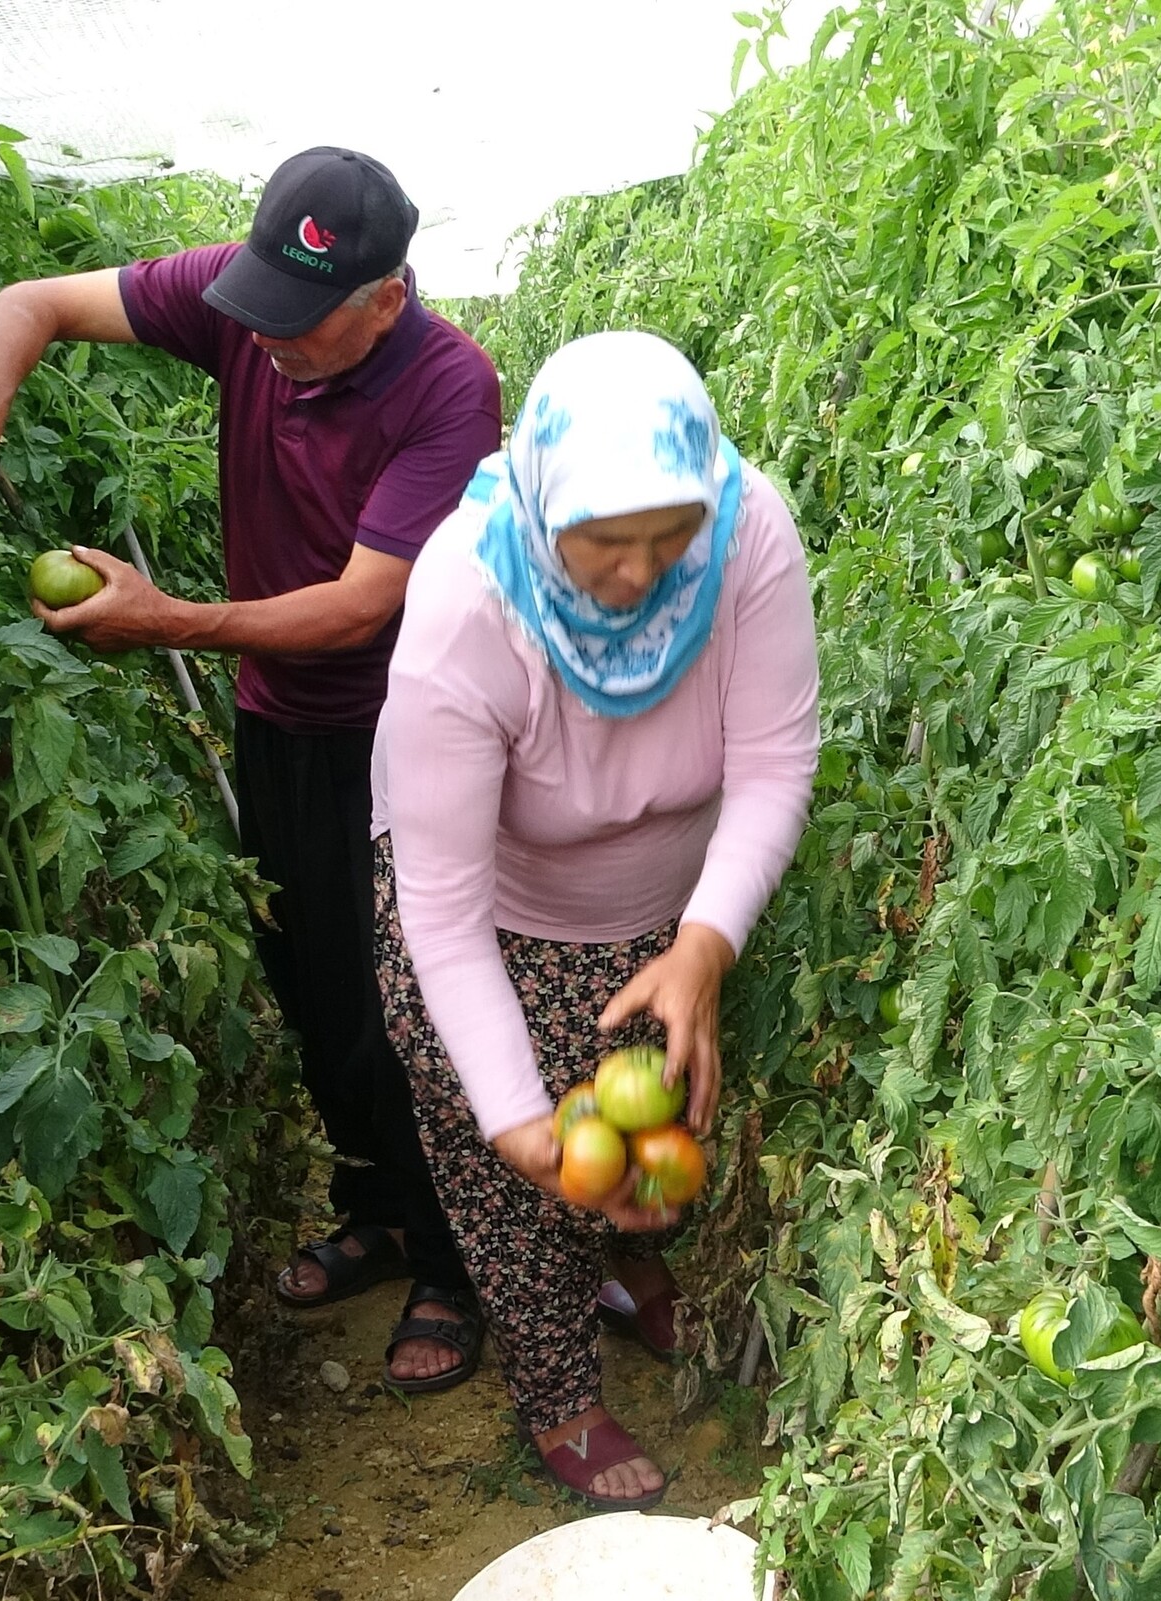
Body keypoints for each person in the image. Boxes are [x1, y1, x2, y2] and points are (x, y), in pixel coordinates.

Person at [0, 148, 500, 1394]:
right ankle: (379, 1209)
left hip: (403, 732)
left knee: (412, 1002)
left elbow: (356, 606)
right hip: (279, 720)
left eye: (302, 323)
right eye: (260, 310)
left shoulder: (448, 387)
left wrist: (165, 619)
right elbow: (33, 303)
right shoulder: (249, 301)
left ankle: (453, 1258)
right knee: (314, 978)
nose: (266, 344)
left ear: (385, 297)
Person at [372, 331, 819, 1509]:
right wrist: (518, 1121)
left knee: (649, 1123)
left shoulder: (745, 529)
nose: (640, 574)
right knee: (517, 1177)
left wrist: (703, 944)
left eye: (668, 540)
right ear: (540, 508)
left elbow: (772, 763)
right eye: (604, 545)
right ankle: (559, 1390)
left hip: (663, 913)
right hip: (490, 917)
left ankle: (628, 1269)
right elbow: (444, 912)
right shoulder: (466, 600)